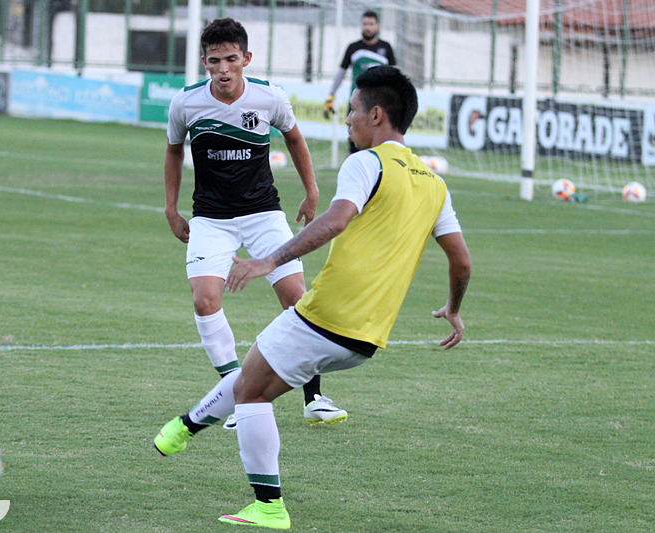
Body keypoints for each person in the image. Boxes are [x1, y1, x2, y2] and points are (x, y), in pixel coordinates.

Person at [154, 65, 471, 529]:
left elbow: (335, 220)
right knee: (253, 378)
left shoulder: (367, 162)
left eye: (351, 112)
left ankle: (266, 505)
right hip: (369, 337)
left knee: (250, 392)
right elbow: (461, 260)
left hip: (327, 316)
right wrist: (455, 309)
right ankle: (182, 429)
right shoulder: (434, 182)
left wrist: (269, 260)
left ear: (376, 115)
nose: (347, 121)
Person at [164, 17, 347, 429]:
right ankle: (232, 391)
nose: (224, 68)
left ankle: (314, 397)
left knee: (298, 300)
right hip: (210, 219)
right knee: (204, 300)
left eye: (232, 59)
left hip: (264, 214)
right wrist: (171, 209)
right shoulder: (186, 103)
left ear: (246, 58)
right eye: (215, 61)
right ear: (204, 62)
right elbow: (174, 151)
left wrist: (312, 190)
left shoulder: (269, 97)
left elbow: (295, 139)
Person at [324, 10, 396, 154]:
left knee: (378, 147)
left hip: (379, 105)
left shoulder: (386, 48)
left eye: (371, 24)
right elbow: (340, 73)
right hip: (358, 104)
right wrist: (331, 95)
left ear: (377, 27)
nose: (368, 27)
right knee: (355, 145)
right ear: (361, 26)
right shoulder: (353, 48)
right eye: (365, 24)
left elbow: (395, 76)